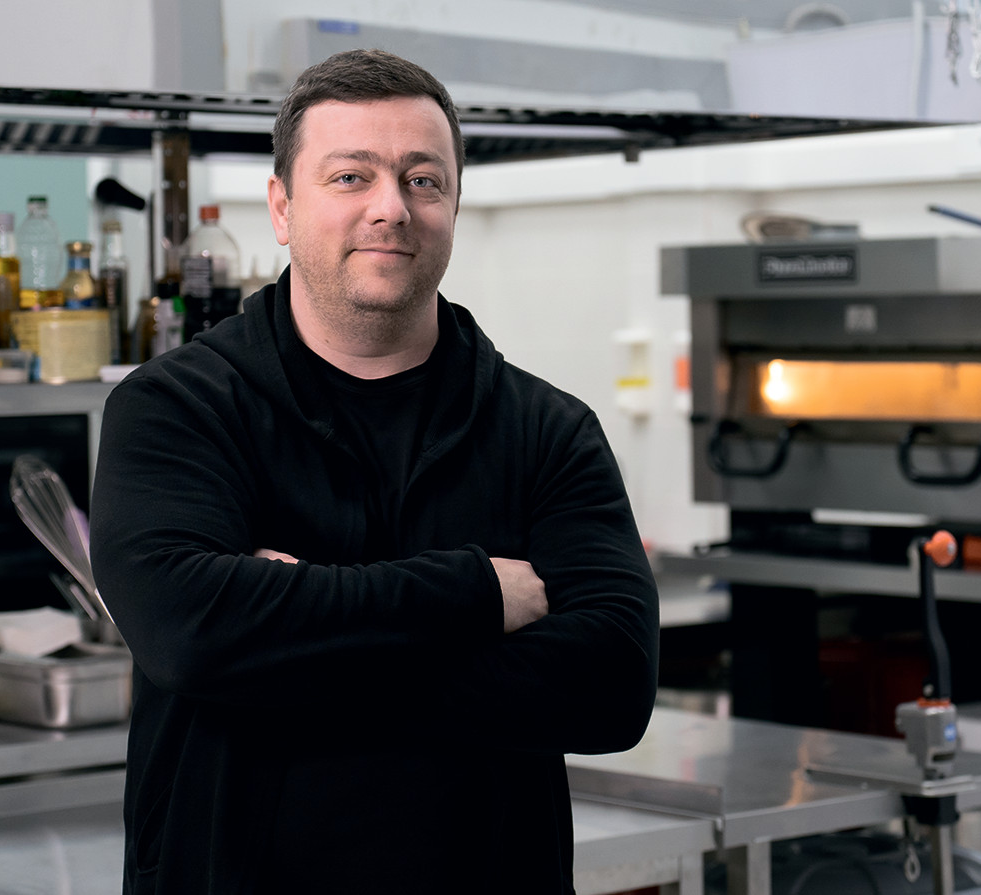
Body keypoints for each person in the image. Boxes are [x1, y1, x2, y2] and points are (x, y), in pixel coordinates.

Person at [91, 48, 659, 895]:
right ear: (282, 207)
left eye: (422, 180)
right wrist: (473, 594)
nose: (390, 207)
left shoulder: (545, 430)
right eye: (350, 176)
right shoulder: (177, 407)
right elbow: (189, 631)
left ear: (452, 204)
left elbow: (613, 683)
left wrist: (289, 639)